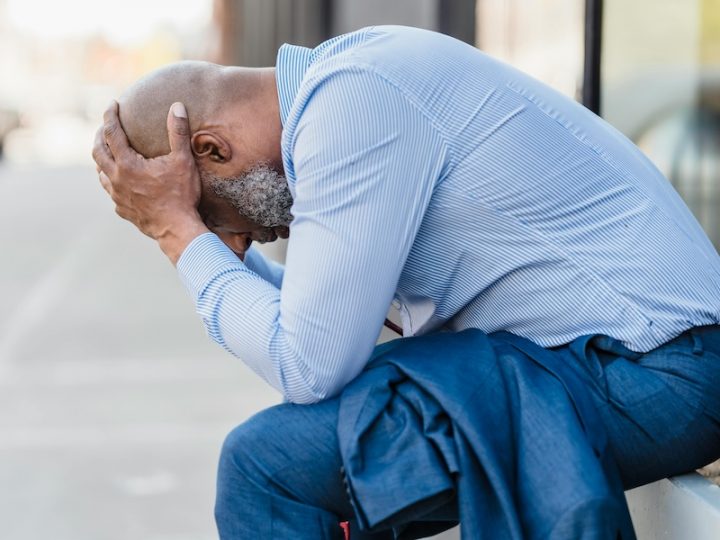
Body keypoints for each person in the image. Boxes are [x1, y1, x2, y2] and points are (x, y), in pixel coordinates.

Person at [92, 26, 720, 539]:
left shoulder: (354, 104)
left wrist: (179, 233)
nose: (238, 242)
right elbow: (322, 323)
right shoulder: (350, 88)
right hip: (611, 361)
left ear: (211, 148)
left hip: (663, 366)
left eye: (215, 218)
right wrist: (182, 235)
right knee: (352, 471)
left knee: (270, 466)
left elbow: (309, 362)